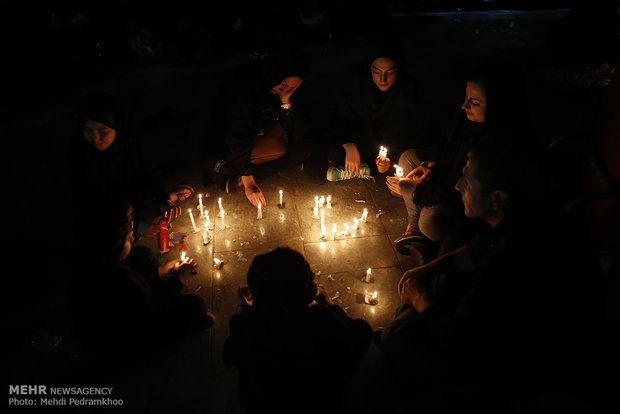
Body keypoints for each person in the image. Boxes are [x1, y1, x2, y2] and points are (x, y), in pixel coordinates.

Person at [380, 137, 606, 412]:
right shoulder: (528, 213)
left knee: (396, 337)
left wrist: (420, 299)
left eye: (468, 182)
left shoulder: (510, 264)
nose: (457, 185)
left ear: (498, 198)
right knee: (452, 244)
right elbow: (474, 249)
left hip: (518, 373)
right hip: (490, 327)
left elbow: (460, 345)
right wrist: (428, 269)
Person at [387, 60, 534, 258]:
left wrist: (416, 189)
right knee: (408, 157)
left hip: (464, 203)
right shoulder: (466, 120)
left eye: (475, 102)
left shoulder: (496, 145)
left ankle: (421, 227)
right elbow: (446, 150)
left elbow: (458, 186)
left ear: (498, 104)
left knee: (431, 221)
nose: (464, 106)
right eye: (466, 97)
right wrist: (432, 165)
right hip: (444, 182)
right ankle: (414, 225)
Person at [68, 199, 215, 370]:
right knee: (197, 304)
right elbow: (153, 310)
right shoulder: (122, 283)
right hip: (127, 341)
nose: (132, 235)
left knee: (141, 253)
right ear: (115, 244)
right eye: (129, 235)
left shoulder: (93, 259)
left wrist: (165, 269)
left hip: (126, 310)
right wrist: (178, 280)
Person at [223, 247, 371, 414]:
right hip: (313, 402)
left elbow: (229, 355)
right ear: (305, 291)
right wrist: (329, 304)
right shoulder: (318, 321)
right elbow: (361, 333)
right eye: (309, 276)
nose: (313, 277)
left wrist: (244, 310)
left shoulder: (249, 326)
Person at [66, 91, 194, 240]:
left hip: (136, 192)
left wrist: (163, 198)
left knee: (179, 168)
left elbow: (149, 172)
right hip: (111, 208)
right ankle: (152, 211)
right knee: (112, 236)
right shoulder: (80, 154)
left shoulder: (129, 142)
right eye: (88, 130)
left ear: (117, 127)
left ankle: (163, 201)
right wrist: (136, 223)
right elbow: (94, 202)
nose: (95, 138)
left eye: (103, 131)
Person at [205, 47, 313, 207]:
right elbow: (236, 136)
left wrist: (285, 101)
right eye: (284, 86)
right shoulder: (243, 91)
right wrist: (248, 182)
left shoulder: (278, 93)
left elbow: (287, 131)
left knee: (304, 149)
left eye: (291, 89)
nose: (284, 90)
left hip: (263, 148)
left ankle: (239, 177)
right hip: (234, 150)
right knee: (222, 165)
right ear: (276, 74)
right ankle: (242, 175)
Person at [322, 38, 427, 182]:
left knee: (404, 161)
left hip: (389, 151)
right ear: (369, 69)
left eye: (390, 72)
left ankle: (359, 169)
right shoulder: (356, 86)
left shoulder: (406, 91)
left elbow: (410, 132)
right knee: (334, 151)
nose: (383, 79)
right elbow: (338, 118)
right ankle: (362, 167)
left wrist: (388, 160)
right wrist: (349, 145)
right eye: (376, 72)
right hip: (360, 144)